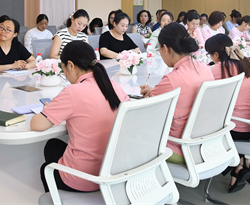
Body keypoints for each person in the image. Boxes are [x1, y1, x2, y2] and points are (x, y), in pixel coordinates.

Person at [31, 41, 129, 192]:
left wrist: (48, 110)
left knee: (46, 165)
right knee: (53, 146)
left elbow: (37, 125)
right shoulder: (112, 86)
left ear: (70, 65)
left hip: (85, 179)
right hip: (113, 171)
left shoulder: (72, 92)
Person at [140, 23, 214, 165]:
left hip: (179, 147)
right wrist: (155, 91)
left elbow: (147, 113)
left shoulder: (171, 80)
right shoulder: (205, 69)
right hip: (206, 141)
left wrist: (149, 96)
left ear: (165, 48)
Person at [205, 34, 250, 193]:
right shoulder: (249, 63)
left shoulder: (220, 68)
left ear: (216, 55)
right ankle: (244, 162)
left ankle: (238, 164)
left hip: (237, 129)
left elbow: (200, 88)